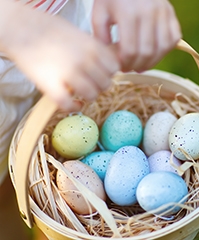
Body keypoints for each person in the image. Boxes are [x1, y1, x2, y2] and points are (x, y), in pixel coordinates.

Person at [0, 0, 182, 239]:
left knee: (55, 201)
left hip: (72, 25)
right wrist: (13, 24)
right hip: (17, 33)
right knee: (6, 190)